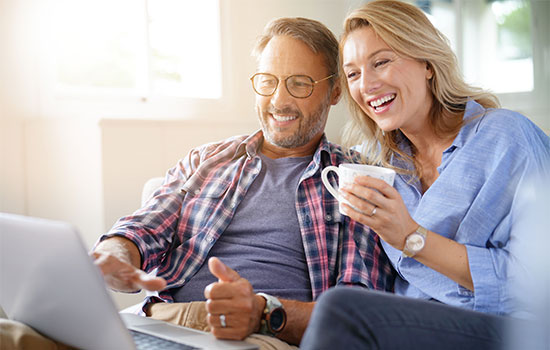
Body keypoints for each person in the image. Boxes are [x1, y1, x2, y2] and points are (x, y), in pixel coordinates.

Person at [90, 17, 394, 350]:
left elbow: (357, 312)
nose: (279, 100)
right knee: (24, 336)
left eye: (299, 83)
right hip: (163, 322)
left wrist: (263, 312)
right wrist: (115, 253)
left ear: (335, 91)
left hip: (264, 335)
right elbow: (142, 229)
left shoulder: (353, 177)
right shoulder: (206, 160)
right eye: (268, 81)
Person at [300, 1, 550, 349]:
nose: (366, 85)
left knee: (341, 311)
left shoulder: (507, 137)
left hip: (513, 328)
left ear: (427, 64)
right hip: (416, 327)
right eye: (353, 73)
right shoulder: (381, 166)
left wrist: (411, 237)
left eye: (381, 62)